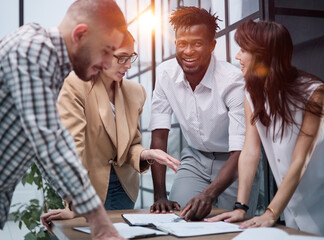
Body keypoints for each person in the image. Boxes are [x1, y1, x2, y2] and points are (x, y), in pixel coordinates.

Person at [0, 0, 129, 239]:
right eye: (106, 51)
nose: (108, 63)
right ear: (80, 34)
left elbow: (36, 145)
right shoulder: (33, 49)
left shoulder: (51, 63)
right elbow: (50, 140)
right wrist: (100, 223)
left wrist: (72, 199)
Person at [40, 31, 180, 227]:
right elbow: (73, 149)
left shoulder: (136, 92)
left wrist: (147, 153)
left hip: (124, 187)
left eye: (131, 57)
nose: (129, 66)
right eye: (122, 58)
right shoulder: (75, 85)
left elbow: (130, 145)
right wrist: (76, 205)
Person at [205, 20, 324, 236]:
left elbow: (300, 160)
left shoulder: (314, 92)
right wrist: (241, 207)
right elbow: (250, 152)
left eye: (243, 50)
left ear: (263, 54)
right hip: (290, 205)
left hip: (319, 202)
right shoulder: (252, 94)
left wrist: (270, 212)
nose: (237, 57)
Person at [148, 6, 260, 221]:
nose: (188, 51)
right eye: (182, 44)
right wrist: (160, 195)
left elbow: (241, 150)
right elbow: (159, 136)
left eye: (197, 44)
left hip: (233, 160)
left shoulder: (233, 82)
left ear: (211, 46)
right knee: (180, 218)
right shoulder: (165, 74)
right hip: (195, 157)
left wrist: (208, 195)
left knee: (232, 225)